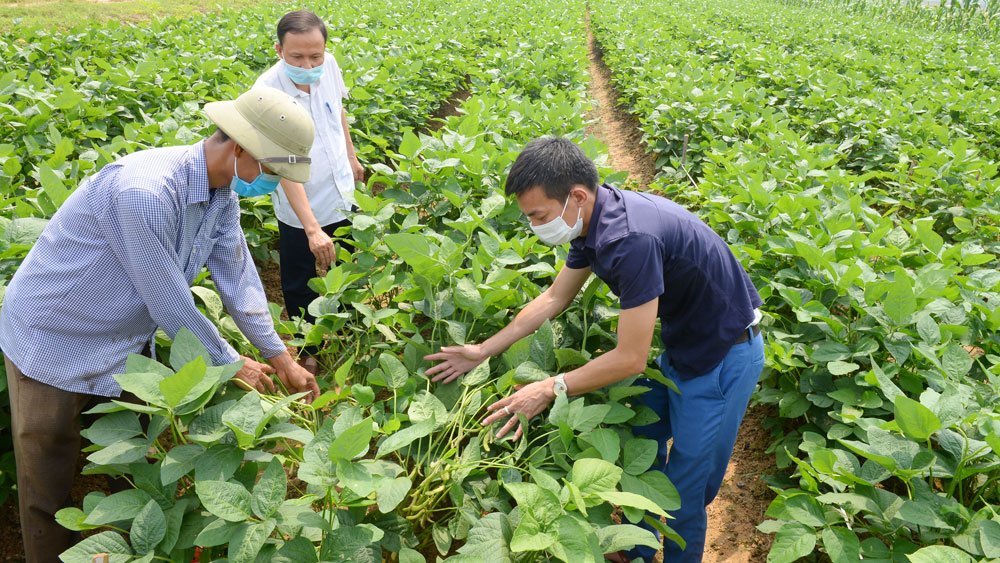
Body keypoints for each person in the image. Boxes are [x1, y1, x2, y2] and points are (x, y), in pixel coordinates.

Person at [0, 86, 322, 563]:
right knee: (48, 479)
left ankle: (130, 552)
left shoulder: (220, 194)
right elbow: (170, 302)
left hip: (124, 339)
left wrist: (282, 359)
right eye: (271, 170)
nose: (271, 182)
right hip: (55, 339)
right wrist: (231, 363)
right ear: (239, 150)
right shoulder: (146, 191)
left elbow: (239, 277)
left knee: (135, 458)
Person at [424, 137, 765, 562]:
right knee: (642, 436)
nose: (535, 225)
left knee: (684, 491)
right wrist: (483, 349)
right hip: (685, 346)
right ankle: (637, 549)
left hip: (722, 359)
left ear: (577, 196)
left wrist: (550, 387)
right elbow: (554, 298)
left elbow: (629, 358)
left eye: (538, 215)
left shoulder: (630, 240)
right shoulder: (592, 220)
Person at [254, 9, 364, 373]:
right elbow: (280, 163)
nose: (308, 63)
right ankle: (310, 351)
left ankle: (345, 335)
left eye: (315, 55)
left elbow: (340, 112)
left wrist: (351, 156)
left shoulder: (328, 65)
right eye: (297, 56)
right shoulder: (266, 91)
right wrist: (312, 227)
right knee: (301, 279)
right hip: (300, 203)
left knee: (346, 268)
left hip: (340, 191)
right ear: (278, 50)